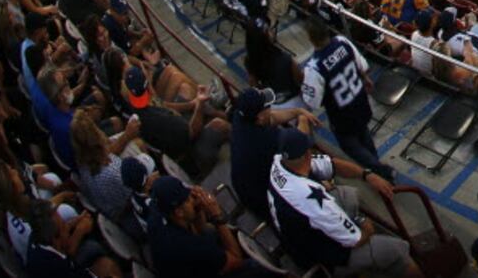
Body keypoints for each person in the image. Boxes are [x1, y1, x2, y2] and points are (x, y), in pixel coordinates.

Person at [267, 128, 420, 278]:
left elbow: (333, 165)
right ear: (307, 153)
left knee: (348, 195)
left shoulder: (279, 163)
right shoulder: (307, 197)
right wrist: (367, 228)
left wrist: (366, 175)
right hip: (323, 257)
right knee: (397, 249)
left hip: (299, 238)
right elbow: (355, 240)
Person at [300, 19, 393, 179]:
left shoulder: (314, 67)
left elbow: (312, 102)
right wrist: (364, 77)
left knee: (350, 145)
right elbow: (362, 66)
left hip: (342, 113)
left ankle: (379, 170)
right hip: (359, 100)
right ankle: (377, 167)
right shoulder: (342, 42)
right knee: (363, 133)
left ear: (311, 38)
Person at [145, 174, 264, 278]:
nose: (193, 199)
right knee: (254, 266)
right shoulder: (191, 247)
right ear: (179, 212)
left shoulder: (156, 215)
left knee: (212, 234)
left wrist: (197, 209)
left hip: (179, 267)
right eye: (188, 199)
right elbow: (237, 260)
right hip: (191, 264)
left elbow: (201, 231)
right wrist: (217, 217)